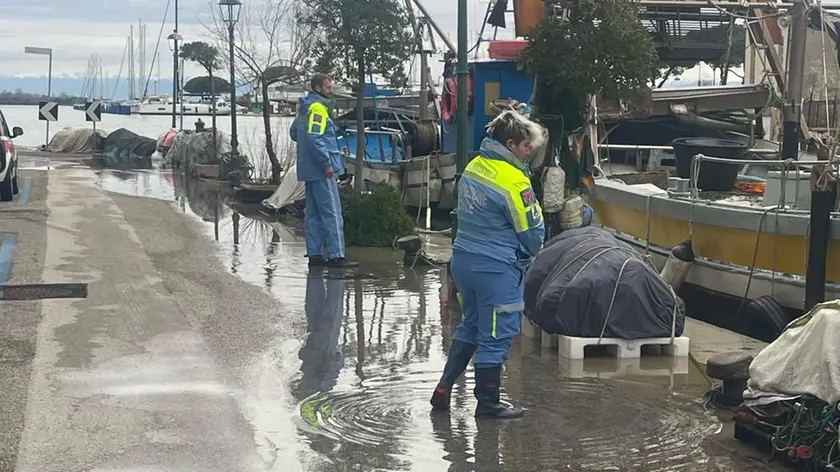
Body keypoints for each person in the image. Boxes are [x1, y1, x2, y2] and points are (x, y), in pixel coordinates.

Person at [430, 110, 546, 419]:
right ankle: (488, 402)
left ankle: (444, 387)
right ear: (510, 144)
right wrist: (536, 247)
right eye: (525, 146)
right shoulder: (514, 180)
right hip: (496, 268)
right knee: (498, 333)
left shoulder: (474, 167)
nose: (529, 150)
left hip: (464, 261)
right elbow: (532, 233)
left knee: (472, 324)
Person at [290, 73, 357, 268]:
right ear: (318, 88)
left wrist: (309, 153)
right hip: (322, 170)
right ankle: (336, 255)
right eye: (328, 87)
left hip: (308, 169)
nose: (331, 90)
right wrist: (326, 162)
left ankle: (315, 254)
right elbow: (314, 137)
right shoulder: (318, 108)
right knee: (332, 212)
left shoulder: (305, 107)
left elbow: (295, 133)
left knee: (312, 213)